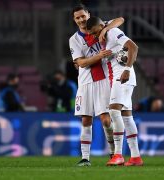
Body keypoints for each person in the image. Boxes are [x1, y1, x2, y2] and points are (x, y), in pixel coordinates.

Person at [69, 4, 125, 166]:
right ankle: (85, 158)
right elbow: (81, 63)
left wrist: (106, 30)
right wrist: (99, 56)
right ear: (74, 20)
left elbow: (120, 19)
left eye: (83, 16)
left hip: (104, 80)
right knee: (86, 120)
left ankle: (113, 153)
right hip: (85, 82)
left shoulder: (100, 26)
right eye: (77, 17)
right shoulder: (74, 39)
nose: (81, 20)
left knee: (106, 120)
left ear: (88, 15)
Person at [86, 16, 143, 166]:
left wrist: (127, 69)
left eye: (93, 32)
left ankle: (118, 155)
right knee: (127, 117)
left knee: (113, 112)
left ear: (100, 26)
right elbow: (118, 19)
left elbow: (133, 47)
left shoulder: (112, 32)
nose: (93, 36)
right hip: (118, 78)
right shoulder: (105, 33)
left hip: (122, 76)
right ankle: (136, 157)